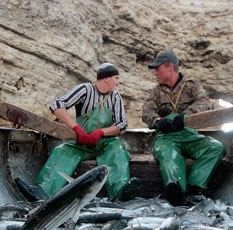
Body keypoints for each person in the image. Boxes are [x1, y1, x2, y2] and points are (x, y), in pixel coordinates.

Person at [16, 63, 140, 202]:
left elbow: (121, 125)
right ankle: (43, 191)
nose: (117, 83)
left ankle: (120, 193)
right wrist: (76, 128)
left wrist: (100, 132)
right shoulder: (85, 89)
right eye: (116, 78)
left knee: (117, 150)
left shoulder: (116, 97)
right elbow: (57, 106)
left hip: (106, 142)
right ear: (106, 78)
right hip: (82, 141)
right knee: (62, 151)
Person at [142, 51, 225, 206]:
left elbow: (204, 102)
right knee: (166, 153)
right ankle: (176, 189)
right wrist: (157, 121)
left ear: (170, 67)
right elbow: (146, 112)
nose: (155, 73)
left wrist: (186, 116)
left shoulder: (192, 85)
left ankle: (195, 188)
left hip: (189, 135)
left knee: (216, 147)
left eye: (157, 68)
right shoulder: (156, 91)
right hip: (166, 137)